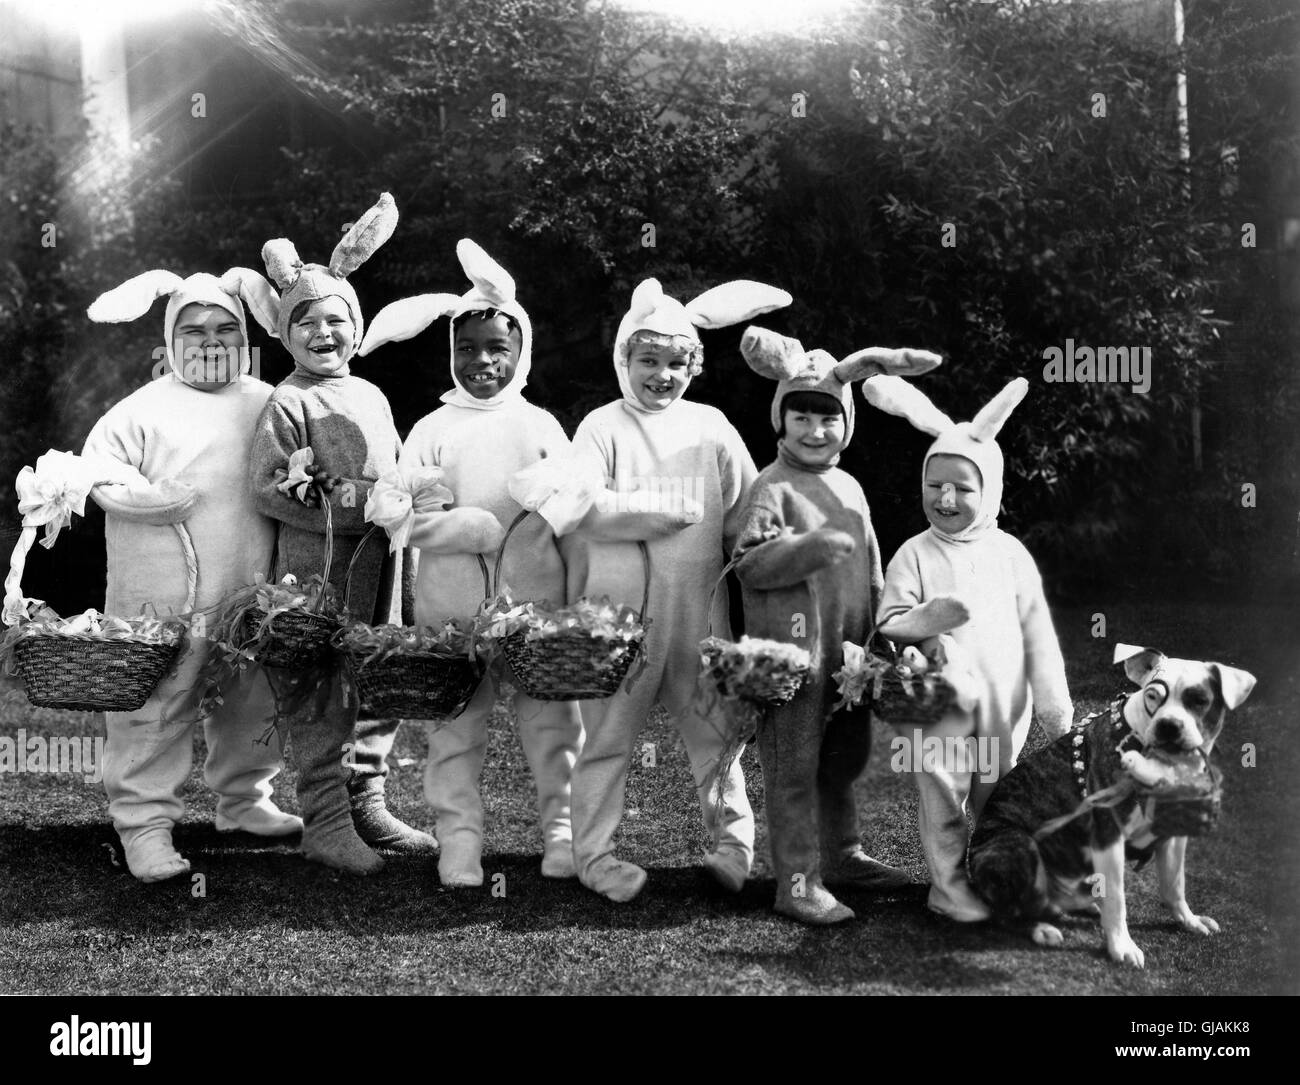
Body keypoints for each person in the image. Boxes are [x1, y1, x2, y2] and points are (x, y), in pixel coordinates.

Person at [358, 238, 584, 887]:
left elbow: (573, 513)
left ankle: (561, 833)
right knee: (455, 729)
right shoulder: (432, 427)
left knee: (551, 725)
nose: (481, 360)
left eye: (496, 348)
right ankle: (459, 839)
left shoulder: (541, 424)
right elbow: (394, 513)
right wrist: (451, 524)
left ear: (521, 353)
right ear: (450, 353)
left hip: (535, 610)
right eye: (467, 348)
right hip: (450, 611)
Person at [561, 276, 791, 902]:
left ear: (694, 365)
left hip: (701, 618)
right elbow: (578, 504)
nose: (662, 375)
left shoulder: (711, 427)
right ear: (623, 361)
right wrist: (647, 513)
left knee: (717, 739)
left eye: (677, 363)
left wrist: (776, 549)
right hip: (618, 622)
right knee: (606, 741)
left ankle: (733, 849)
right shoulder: (600, 427)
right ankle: (595, 856)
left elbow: (748, 512)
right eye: (649, 361)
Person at [83, 266, 302, 882]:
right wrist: (146, 498)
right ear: (171, 337)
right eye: (194, 327)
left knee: (254, 699)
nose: (210, 339)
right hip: (162, 595)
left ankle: (245, 802)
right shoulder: (142, 408)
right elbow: (94, 472)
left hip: (252, 590)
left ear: (246, 335)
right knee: (157, 704)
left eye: (225, 326)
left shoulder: (270, 402)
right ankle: (144, 825)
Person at [250, 192, 434, 875]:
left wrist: (410, 497)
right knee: (320, 692)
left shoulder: (372, 394)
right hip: (315, 572)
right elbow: (269, 484)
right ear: (286, 332)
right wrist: (354, 500)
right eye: (309, 323)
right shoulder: (288, 400)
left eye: (338, 320)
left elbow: (393, 469)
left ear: (356, 326)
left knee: (373, 684)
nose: (326, 333)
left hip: (380, 568)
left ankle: (369, 802)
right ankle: (325, 818)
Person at [731, 328, 942, 923]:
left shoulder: (849, 485)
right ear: (781, 418)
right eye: (802, 417)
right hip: (791, 658)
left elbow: (874, 570)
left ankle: (843, 856)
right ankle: (795, 883)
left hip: (849, 656)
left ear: (846, 424)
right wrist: (810, 548)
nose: (815, 431)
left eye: (828, 421)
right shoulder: (770, 487)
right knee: (794, 767)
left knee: (843, 760)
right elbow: (748, 565)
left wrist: (889, 636)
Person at [868, 375, 1073, 921]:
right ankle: (948, 885)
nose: (946, 499)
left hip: (1006, 705)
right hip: (940, 704)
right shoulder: (914, 553)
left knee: (998, 795)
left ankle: (995, 877)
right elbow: (888, 621)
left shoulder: (1011, 554)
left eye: (962, 487)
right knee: (942, 793)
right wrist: (929, 621)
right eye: (935, 485)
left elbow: (1038, 632)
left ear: (993, 491)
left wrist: (1055, 705)